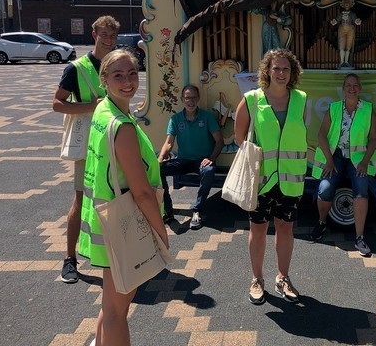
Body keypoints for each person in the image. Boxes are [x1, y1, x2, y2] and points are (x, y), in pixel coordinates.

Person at [78, 49, 169, 345]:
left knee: (111, 304)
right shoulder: (124, 127)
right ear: (103, 79)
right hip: (123, 224)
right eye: (118, 75)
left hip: (102, 217)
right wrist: (160, 231)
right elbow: (142, 192)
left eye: (132, 73)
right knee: (119, 309)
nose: (128, 81)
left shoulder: (104, 111)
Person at [233, 48, 308, 305]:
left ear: (292, 72)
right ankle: (257, 279)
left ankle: (283, 277)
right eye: (276, 68)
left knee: (286, 228)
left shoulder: (301, 99)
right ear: (267, 71)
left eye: (286, 68)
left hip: (291, 179)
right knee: (259, 229)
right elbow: (240, 138)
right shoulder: (252, 99)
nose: (281, 73)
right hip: (262, 180)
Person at [51, 15, 119, 283]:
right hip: (87, 145)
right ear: (94, 35)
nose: (109, 40)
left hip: (114, 142)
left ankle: (113, 255)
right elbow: (57, 103)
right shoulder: (76, 68)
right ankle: (69, 258)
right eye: (104, 35)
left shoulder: (117, 64)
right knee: (81, 200)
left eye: (112, 36)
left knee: (113, 199)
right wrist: (92, 106)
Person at [310, 73, 376, 257]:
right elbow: (321, 135)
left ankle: (359, 237)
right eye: (348, 85)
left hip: (357, 158)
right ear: (343, 87)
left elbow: (373, 139)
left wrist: (364, 162)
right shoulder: (333, 108)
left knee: (361, 190)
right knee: (324, 189)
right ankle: (321, 222)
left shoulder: (368, 110)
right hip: (336, 155)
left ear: (360, 88)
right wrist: (329, 160)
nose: (352, 88)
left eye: (355, 85)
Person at [157, 84, 223, 230]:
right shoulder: (175, 119)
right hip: (183, 160)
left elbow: (219, 141)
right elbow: (168, 143)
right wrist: (160, 159)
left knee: (209, 170)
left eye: (193, 97)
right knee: (159, 170)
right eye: (187, 98)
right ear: (182, 99)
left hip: (202, 160)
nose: (190, 101)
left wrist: (211, 158)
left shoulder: (207, 117)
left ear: (198, 98)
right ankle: (168, 212)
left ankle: (197, 210)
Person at [330, 0, 361, 68]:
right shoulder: (341, 14)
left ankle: (346, 61)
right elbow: (337, 20)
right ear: (343, 5)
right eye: (345, 3)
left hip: (350, 29)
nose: (347, 5)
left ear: (350, 5)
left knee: (348, 46)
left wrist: (358, 21)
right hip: (342, 29)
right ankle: (341, 62)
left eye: (348, 3)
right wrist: (334, 22)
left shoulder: (352, 14)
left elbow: (355, 20)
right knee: (342, 46)